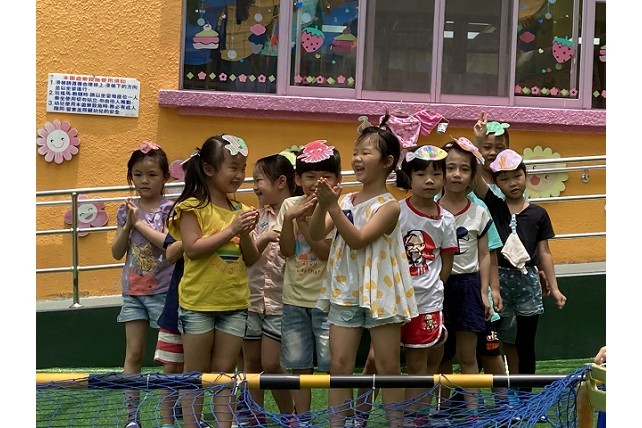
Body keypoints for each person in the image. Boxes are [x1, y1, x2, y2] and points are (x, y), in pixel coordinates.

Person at [309, 119, 418, 428]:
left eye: (366, 153)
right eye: (356, 152)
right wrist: (323, 205)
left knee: (387, 366)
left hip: (381, 292)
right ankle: (337, 425)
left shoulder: (390, 206)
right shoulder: (345, 200)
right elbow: (316, 234)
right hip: (345, 289)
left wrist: (332, 207)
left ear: (387, 162)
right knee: (339, 365)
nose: (357, 159)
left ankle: (395, 424)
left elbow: (358, 239)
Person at [167, 134, 260, 428]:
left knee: (224, 373)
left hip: (234, 304)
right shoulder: (191, 207)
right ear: (208, 169)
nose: (240, 175)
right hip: (198, 304)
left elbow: (251, 258)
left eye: (243, 168)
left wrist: (244, 233)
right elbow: (192, 249)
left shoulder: (242, 211)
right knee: (195, 373)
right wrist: (231, 229)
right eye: (233, 167)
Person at [473, 149, 567, 396]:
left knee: (526, 343)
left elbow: (544, 252)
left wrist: (555, 288)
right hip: (499, 280)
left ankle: (525, 396)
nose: (512, 183)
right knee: (494, 340)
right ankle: (491, 393)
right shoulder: (494, 206)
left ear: (526, 175)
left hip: (528, 281)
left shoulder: (538, 213)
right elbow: (476, 179)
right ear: (495, 182)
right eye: (504, 179)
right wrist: (475, 150)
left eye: (517, 176)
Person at [273, 140, 341, 421]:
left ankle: (338, 418)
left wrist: (301, 221)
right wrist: (289, 219)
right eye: (310, 176)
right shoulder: (289, 204)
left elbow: (325, 253)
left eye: (326, 176)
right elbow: (286, 250)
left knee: (334, 365)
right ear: (298, 179)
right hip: (293, 299)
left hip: (327, 301)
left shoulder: (336, 207)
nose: (318, 183)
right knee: (299, 367)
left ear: (337, 180)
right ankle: (302, 419)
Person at [110, 141, 175, 428]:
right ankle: (132, 417)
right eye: (137, 175)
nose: (144, 180)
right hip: (133, 292)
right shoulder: (126, 210)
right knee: (133, 354)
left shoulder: (171, 209)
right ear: (130, 177)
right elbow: (116, 252)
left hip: (164, 291)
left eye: (151, 174)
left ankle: (169, 415)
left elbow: (168, 246)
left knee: (169, 359)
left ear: (165, 178)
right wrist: (128, 224)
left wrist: (138, 224)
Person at [394, 144, 459, 425]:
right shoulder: (396, 212)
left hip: (428, 302)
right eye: (421, 174)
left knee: (421, 363)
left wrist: (434, 287)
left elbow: (447, 261)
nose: (429, 180)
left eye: (436, 174)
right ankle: (369, 415)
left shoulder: (446, 219)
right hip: (395, 300)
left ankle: (417, 416)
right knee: (382, 361)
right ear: (409, 178)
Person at [435, 137, 493, 419]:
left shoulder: (479, 212)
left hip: (469, 286)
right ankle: (442, 410)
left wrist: (484, 292)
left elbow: (484, 255)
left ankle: (472, 413)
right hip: (437, 287)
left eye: (464, 169)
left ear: (472, 176)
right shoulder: (430, 209)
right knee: (441, 355)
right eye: (450, 168)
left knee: (468, 356)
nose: (456, 174)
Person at [240, 153, 297, 424]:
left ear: (281, 182)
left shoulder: (296, 212)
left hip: (280, 302)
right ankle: (255, 416)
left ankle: (289, 415)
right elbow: (248, 256)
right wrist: (261, 237)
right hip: (252, 300)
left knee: (272, 363)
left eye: (258, 180)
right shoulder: (257, 216)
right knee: (251, 363)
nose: (254, 187)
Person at [153, 233, 186, 428]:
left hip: (210, 306)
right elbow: (171, 253)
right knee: (171, 367)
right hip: (176, 307)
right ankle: (168, 423)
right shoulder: (182, 219)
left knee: (197, 368)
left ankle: (194, 418)